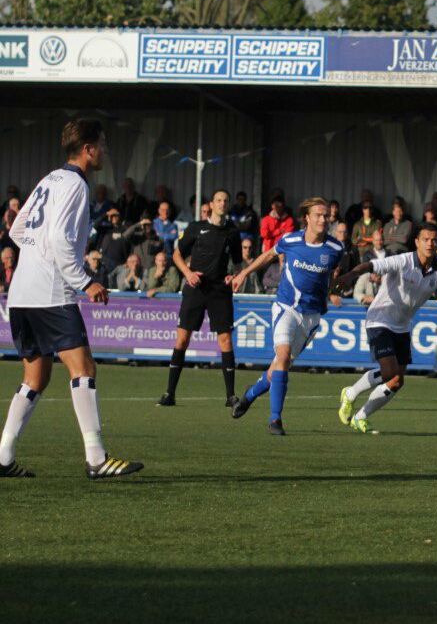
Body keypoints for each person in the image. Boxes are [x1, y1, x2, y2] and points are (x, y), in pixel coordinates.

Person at [1, 118, 143, 479]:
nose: (106, 151)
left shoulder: (49, 178)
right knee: (84, 369)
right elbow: (63, 241)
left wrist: (35, 257)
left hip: (21, 293)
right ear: (88, 148)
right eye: (103, 144)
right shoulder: (77, 185)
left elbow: (17, 229)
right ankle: (96, 458)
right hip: (51, 293)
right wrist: (85, 281)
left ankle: (2, 456)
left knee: (36, 376)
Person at [333, 223, 437, 434]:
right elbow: (371, 266)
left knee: (396, 381)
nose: (430, 243)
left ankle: (360, 417)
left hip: (402, 327)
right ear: (417, 242)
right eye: (426, 239)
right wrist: (350, 276)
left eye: (434, 240)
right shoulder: (402, 261)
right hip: (379, 320)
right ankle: (350, 393)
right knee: (389, 373)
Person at [229, 198, 344, 435]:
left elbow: (329, 278)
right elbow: (268, 256)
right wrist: (243, 273)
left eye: (326, 216)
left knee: (280, 367)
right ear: (307, 218)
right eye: (319, 215)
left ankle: (250, 395)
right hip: (286, 308)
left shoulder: (335, 249)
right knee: (282, 355)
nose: (324, 219)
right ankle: (275, 420)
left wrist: (333, 291)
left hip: (311, 316)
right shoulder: (290, 240)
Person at [156, 189, 243, 407]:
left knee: (225, 340)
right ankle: (169, 393)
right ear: (211, 205)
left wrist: (234, 275)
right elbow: (176, 254)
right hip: (195, 289)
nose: (222, 204)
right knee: (182, 339)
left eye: (226, 200)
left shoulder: (232, 232)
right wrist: (188, 273)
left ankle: (230, 396)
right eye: (219, 200)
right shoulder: (196, 227)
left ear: (228, 205)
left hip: (219, 292)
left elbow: (238, 262)